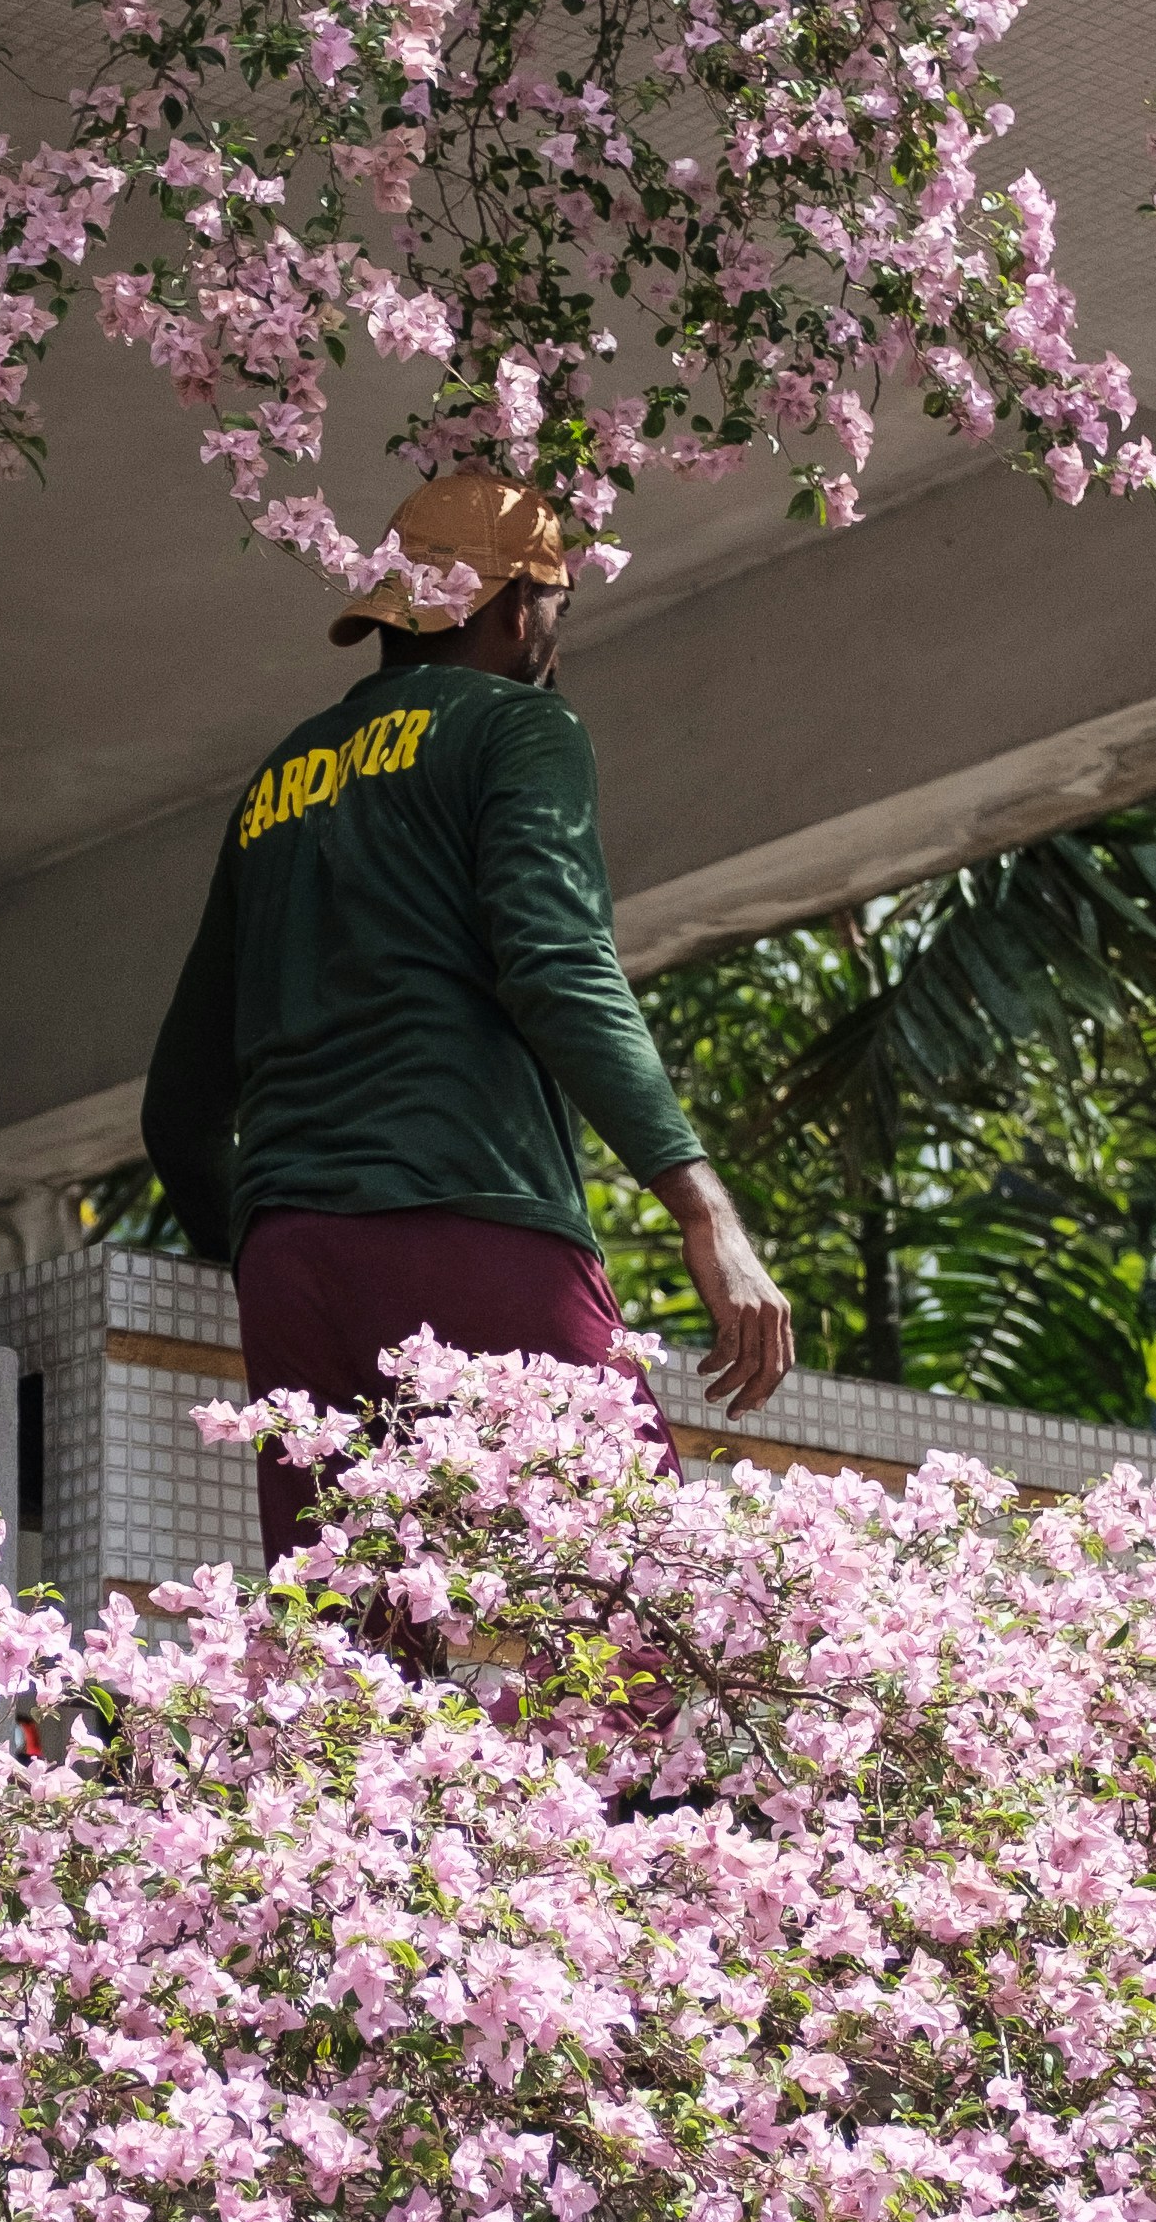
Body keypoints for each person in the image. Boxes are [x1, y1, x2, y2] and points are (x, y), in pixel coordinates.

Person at [140, 471, 795, 1569]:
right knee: (636, 1595)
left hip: (292, 1260)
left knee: (356, 1662)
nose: (556, 636)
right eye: (558, 608)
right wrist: (703, 1211)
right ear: (510, 606)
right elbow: (555, 964)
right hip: (470, 1217)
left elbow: (180, 1107)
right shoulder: (519, 728)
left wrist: (264, 1258)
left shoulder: (279, 781)